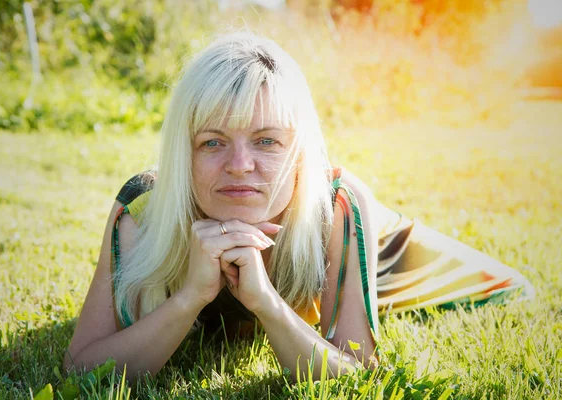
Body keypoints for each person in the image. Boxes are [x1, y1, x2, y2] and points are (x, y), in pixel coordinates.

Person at [63, 32, 533, 383]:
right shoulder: (143, 209)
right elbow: (80, 367)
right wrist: (188, 299)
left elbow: (354, 375)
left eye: (267, 140)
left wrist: (266, 304)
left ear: (300, 151)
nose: (240, 165)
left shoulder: (341, 204)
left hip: (388, 257)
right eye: (212, 142)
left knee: (509, 287)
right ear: (183, 153)